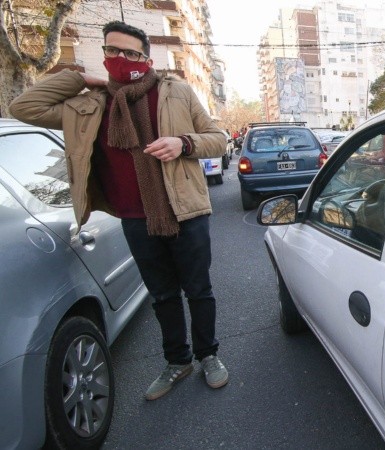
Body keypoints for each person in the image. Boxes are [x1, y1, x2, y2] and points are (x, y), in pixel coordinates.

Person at [10, 21, 229, 400]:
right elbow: (23, 107)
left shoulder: (175, 92)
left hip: (187, 211)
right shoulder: (89, 105)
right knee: (162, 295)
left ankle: (208, 354)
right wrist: (78, 79)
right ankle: (178, 362)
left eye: (131, 53)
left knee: (199, 290)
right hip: (134, 216)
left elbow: (219, 139)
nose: (121, 59)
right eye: (113, 51)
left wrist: (184, 143)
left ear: (145, 58)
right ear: (104, 55)